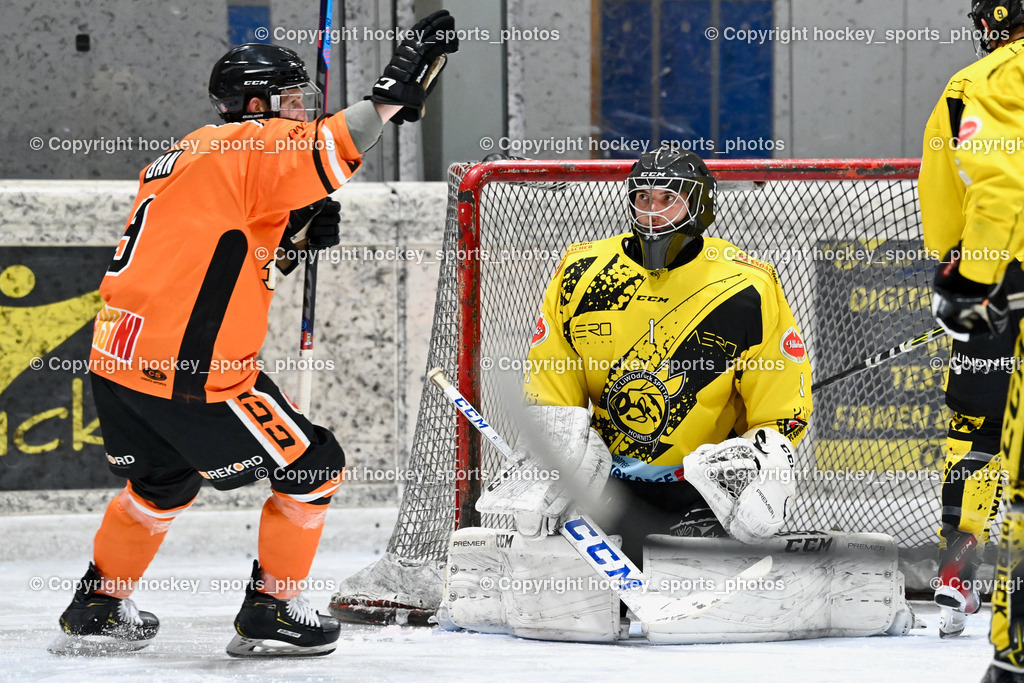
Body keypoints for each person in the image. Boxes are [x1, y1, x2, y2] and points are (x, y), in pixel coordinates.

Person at [49, 11, 458, 658]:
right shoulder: (250, 145)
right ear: (257, 105)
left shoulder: (187, 154)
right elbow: (334, 142)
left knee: (161, 485)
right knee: (314, 465)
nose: (301, 114)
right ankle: (271, 607)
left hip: (118, 360)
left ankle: (97, 604)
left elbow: (211, 253)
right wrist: (386, 100)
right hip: (191, 371)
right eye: (293, 102)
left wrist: (290, 236)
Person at [439, 147, 918, 643]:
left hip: (702, 492)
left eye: (667, 199)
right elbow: (552, 387)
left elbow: (780, 406)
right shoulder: (581, 273)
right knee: (559, 596)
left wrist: (761, 468)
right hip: (605, 486)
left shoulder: (746, 284)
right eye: (641, 198)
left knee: (724, 586)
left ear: (700, 205)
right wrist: (556, 457)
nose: (651, 212)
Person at [920, 0, 1024, 640]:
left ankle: (960, 563)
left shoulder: (978, 81)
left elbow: (979, 187)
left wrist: (969, 276)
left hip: (1001, 279)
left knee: (979, 422)